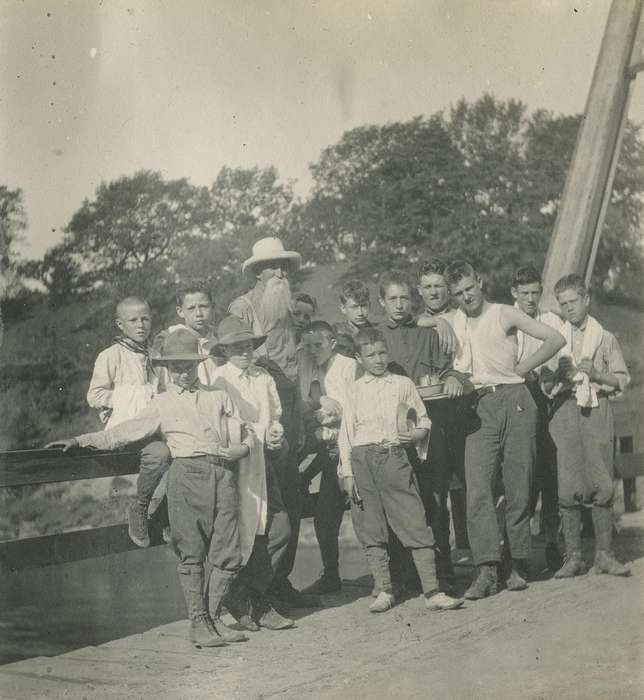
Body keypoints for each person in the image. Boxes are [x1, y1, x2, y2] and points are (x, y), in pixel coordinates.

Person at [49, 330, 252, 648]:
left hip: (223, 475)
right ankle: (198, 624)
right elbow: (122, 433)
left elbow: (245, 432)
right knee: (192, 554)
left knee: (229, 555)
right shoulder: (162, 403)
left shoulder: (219, 396)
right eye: (175, 366)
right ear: (167, 369)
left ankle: (212, 618)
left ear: (197, 364)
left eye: (187, 365)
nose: (182, 372)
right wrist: (80, 440)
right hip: (187, 475)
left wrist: (243, 448)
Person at [445, 260, 565, 600]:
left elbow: (554, 338)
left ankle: (515, 563)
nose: (466, 297)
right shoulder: (454, 322)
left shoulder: (503, 314)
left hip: (516, 400)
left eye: (469, 288)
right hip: (479, 405)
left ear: (479, 282)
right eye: (458, 293)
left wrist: (524, 365)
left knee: (518, 484)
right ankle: (486, 570)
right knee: (478, 486)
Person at [337, 327, 464, 613]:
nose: (378, 360)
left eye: (382, 353)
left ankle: (432, 591)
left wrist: (417, 434)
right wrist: (347, 473)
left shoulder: (402, 384)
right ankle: (384, 589)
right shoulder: (354, 390)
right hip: (361, 460)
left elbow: (424, 421)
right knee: (371, 526)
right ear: (359, 358)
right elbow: (345, 435)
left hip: (394, 458)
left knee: (414, 521)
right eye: (370, 355)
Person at [229, 237, 319, 608]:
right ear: (256, 272)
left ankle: (280, 582)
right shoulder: (244, 306)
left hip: (291, 404)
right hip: (258, 406)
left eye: (284, 266)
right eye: (272, 267)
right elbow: (238, 355)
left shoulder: (289, 305)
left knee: (292, 493)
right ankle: (252, 592)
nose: (280, 272)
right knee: (265, 502)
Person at [377, 269, 466, 593]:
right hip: (391, 432)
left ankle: (443, 572)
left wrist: (453, 376)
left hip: (428, 428)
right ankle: (403, 575)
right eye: (392, 298)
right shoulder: (376, 337)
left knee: (434, 499)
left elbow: (446, 368)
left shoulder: (427, 332)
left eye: (404, 298)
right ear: (382, 302)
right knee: (399, 501)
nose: (399, 304)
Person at [210, 315, 294, 631]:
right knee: (246, 529)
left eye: (247, 345)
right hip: (236, 463)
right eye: (236, 347)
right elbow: (227, 423)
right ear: (224, 350)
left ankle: (248, 594)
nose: (244, 351)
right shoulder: (220, 380)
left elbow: (274, 415)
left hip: (263, 461)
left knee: (280, 527)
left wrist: (274, 431)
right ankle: (251, 603)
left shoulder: (263, 377)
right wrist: (257, 433)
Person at [547, 274, 630, 578]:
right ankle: (573, 557)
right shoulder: (555, 340)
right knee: (568, 484)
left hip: (596, 407)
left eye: (573, 301)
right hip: (565, 411)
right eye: (563, 303)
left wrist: (596, 374)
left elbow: (621, 379)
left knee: (602, 480)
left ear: (586, 299)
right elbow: (545, 384)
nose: (569, 308)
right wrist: (558, 374)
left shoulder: (604, 337)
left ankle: (604, 555)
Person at [86, 296, 171, 549]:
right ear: (120, 324)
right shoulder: (110, 356)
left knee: (185, 452)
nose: (140, 325)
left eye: (145, 318)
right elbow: (95, 395)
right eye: (133, 320)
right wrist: (133, 399)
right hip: (125, 431)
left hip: (153, 428)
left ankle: (164, 512)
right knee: (160, 454)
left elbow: (165, 390)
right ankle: (141, 508)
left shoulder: (155, 356)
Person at [511, 265, 564, 572]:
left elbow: (559, 361)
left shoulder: (550, 320)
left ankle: (553, 544)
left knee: (550, 475)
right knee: (523, 478)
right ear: (514, 294)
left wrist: (548, 377)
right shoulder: (509, 320)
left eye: (535, 292)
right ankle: (516, 551)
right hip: (519, 400)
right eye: (524, 293)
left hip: (548, 400)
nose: (530, 299)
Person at [298, 321, 358, 595]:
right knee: (325, 515)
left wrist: (333, 417)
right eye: (307, 346)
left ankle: (393, 574)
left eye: (317, 345)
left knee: (368, 512)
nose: (312, 351)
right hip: (331, 452)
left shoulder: (348, 366)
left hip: (356, 447)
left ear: (332, 342)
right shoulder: (313, 371)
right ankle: (331, 574)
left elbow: (358, 408)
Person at [154, 279, 220, 385]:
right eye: (191, 308)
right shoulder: (167, 337)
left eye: (203, 306)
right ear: (180, 311)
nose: (198, 313)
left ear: (213, 307)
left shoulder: (217, 341)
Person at [334, 279, 375, 358]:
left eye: (363, 306)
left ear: (369, 305)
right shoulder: (336, 335)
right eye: (354, 307)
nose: (360, 313)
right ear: (343, 308)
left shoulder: (378, 332)